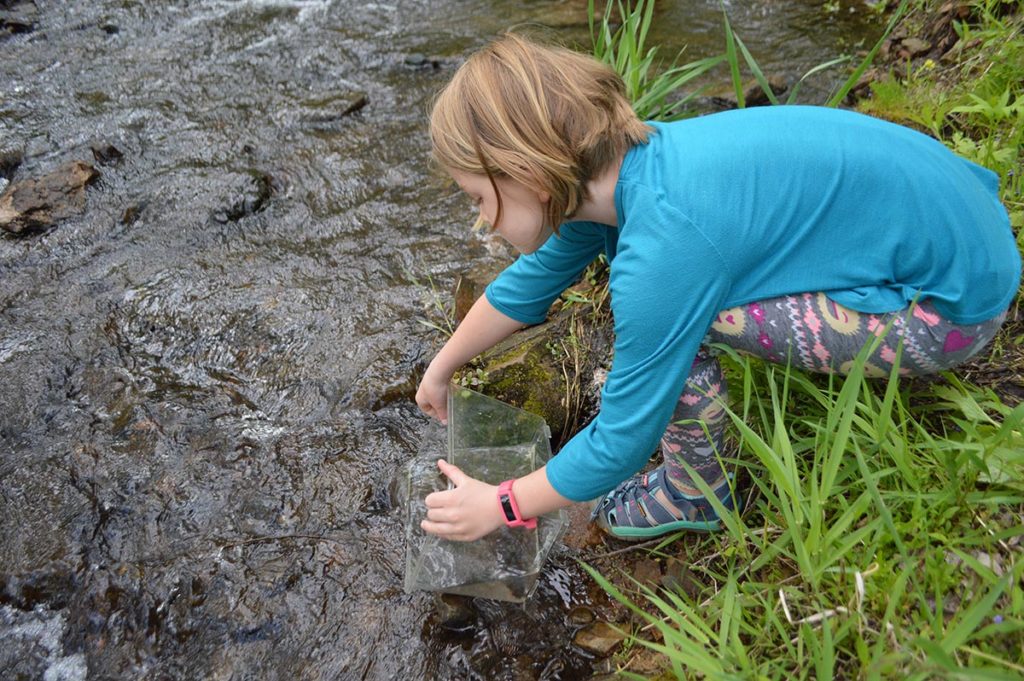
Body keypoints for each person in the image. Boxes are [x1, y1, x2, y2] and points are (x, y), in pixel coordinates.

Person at [414, 34, 1020, 542]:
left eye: (477, 197)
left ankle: (693, 493)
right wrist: (442, 368)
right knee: (687, 297)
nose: (480, 221)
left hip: (950, 310)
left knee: (690, 318)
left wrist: (502, 505)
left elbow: (622, 441)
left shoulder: (663, 247)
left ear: (526, 175)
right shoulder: (627, 167)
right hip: (971, 234)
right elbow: (530, 284)